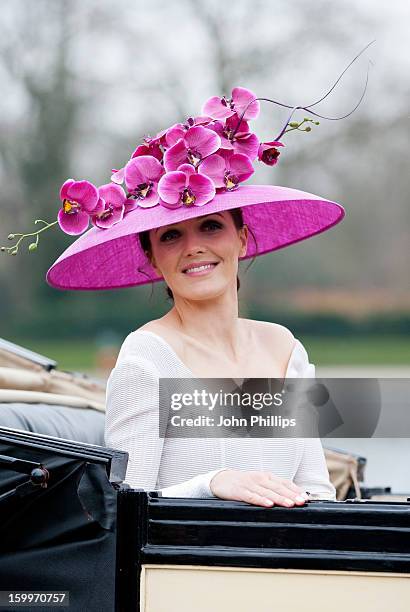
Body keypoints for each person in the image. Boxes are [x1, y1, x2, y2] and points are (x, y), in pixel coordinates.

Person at [43, 86, 349, 506]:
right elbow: (125, 508)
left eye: (211, 226)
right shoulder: (146, 359)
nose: (194, 248)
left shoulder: (286, 347)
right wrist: (212, 483)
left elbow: (317, 492)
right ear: (152, 261)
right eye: (171, 236)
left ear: (241, 239)